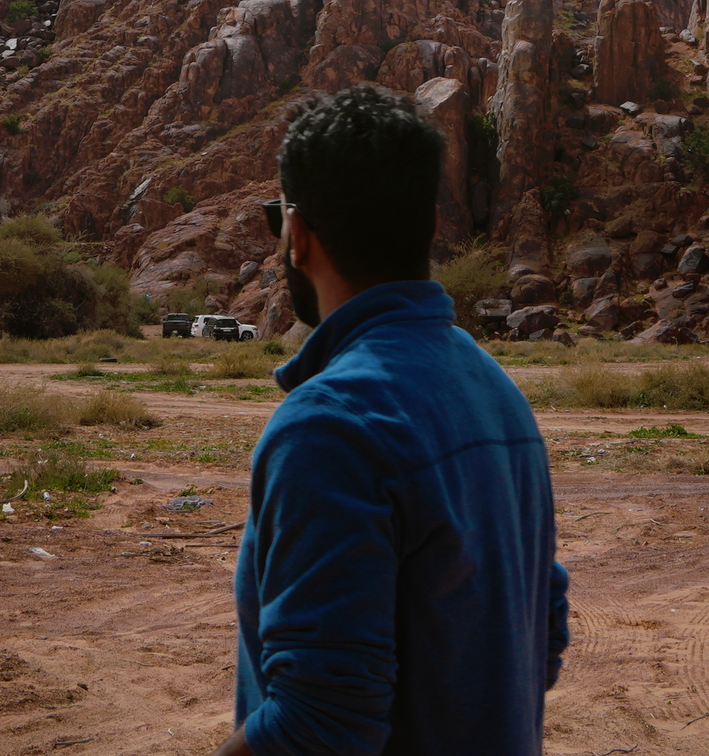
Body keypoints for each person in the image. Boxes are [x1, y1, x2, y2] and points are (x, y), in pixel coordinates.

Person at [215, 84, 569, 756]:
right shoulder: (497, 392)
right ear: (432, 226)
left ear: (297, 235)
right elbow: (539, 637)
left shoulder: (329, 427)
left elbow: (318, 727)